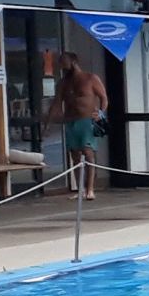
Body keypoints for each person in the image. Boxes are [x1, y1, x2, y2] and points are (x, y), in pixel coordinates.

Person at [52, 53, 108, 199]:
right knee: (75, 156)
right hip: (71, 120)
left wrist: (101, 113)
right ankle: (80, 189)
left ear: (73, 62)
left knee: (88, 152)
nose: (62, 66)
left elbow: (103, 97)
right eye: (60, 63)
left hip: (87, 120)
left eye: (64, 62)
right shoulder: (63, 83)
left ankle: (90, 189)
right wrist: (49, 121)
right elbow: (57, 102)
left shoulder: (90, 78)